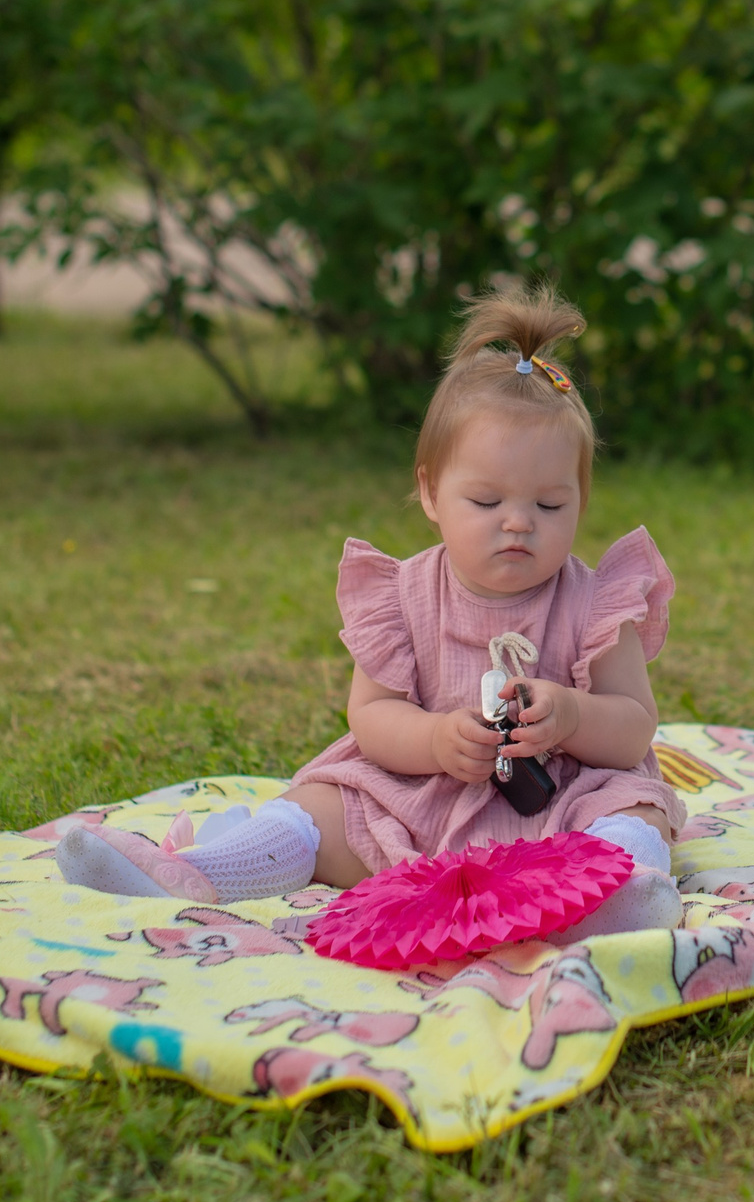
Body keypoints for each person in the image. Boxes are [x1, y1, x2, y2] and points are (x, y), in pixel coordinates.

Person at [55, 286, 685, 939]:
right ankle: (204, 871)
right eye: (486, 501)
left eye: (550, 505)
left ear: (581, 498)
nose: (519, 522)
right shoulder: (402, 593)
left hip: (560, 799)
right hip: (417, 798)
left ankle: (610, 893)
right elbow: (372, 714)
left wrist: (573, 715)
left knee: (633, 807)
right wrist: (436, 740)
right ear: (431, 492)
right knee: (320, 807)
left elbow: (635, 729)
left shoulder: (595, 600)